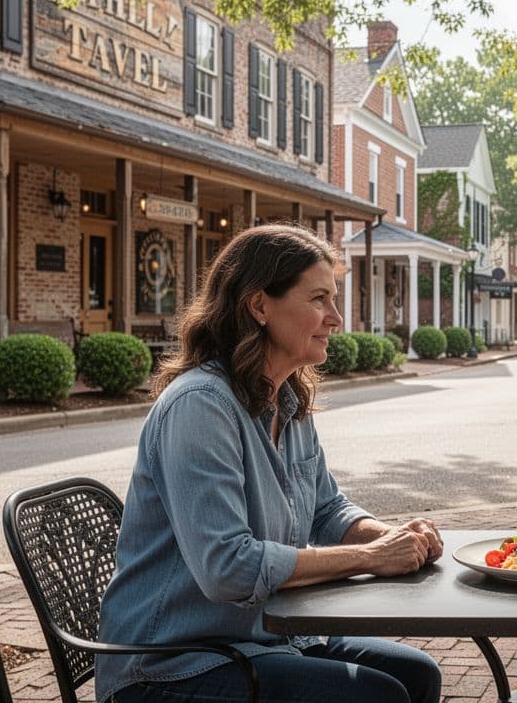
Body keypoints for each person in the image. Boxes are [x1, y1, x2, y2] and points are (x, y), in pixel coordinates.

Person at [97, 223, 443, 703]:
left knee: (419, 674)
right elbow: (228, 567)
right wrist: (371, 557)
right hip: (171, 664)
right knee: (376, 696)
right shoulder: (200, 406)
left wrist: (393, 537)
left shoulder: (288, 399)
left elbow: (327, 509)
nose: (336, 318)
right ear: (259, 306)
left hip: (265, 637)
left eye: (334, 299)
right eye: (319, 299)